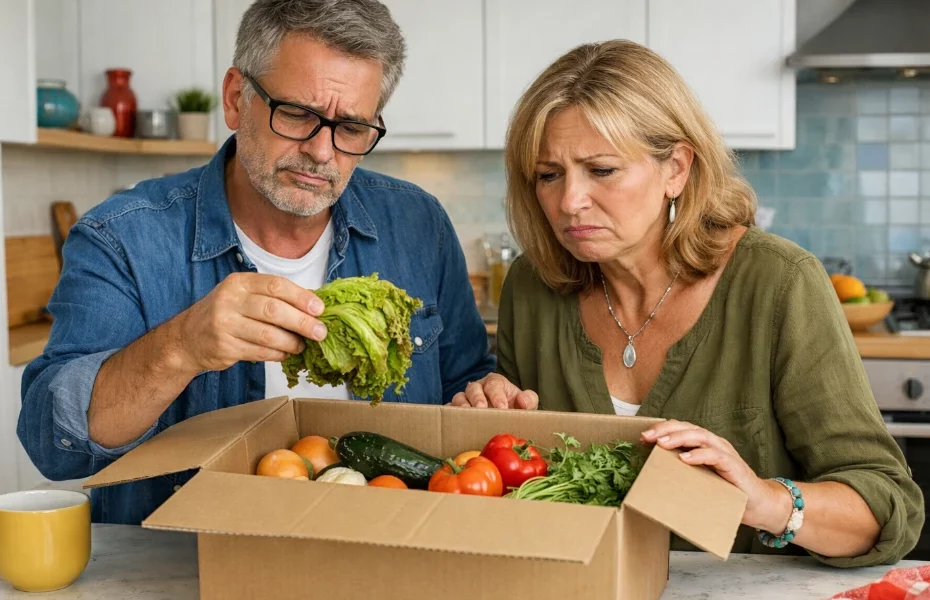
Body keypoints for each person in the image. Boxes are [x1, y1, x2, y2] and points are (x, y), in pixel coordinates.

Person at [18, 0, 494, 525]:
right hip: (186, 561)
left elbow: (464, 382)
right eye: (296, 113)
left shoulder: (419, 224)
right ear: (235, 97)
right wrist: (182, 346)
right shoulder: (123, 237)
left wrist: (482, 400)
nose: (321, 152)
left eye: (352, 127)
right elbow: (53, 446)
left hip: (387, 551)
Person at [451, 40, 923, 567]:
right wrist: (487, 421)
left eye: (601, 170)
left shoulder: (779, 283)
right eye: (548, 175)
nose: (568, 202)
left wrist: (762, 500)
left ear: (676, 168)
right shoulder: (532, 287)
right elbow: (522, 477)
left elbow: (886, 509)